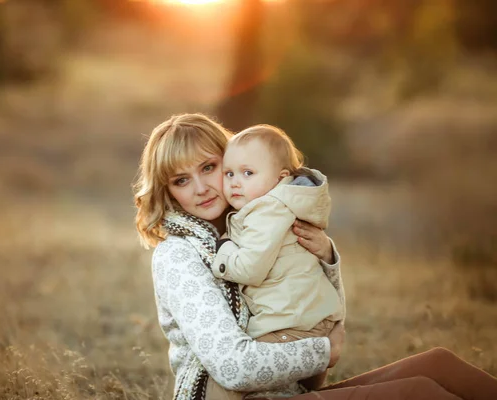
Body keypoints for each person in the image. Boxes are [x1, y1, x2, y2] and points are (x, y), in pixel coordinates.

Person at [133, 113, 497, 400]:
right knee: (419, 393)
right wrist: (324, 351)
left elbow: (316, 312)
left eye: (208, 168)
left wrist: (326, 258)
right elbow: (233, 368)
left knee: (439, 365)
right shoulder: (178, 256)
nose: (201, 188)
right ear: (167, 192)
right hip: (235, 396)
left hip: (285, 390)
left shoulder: (254, 226)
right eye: (181, 180)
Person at [212, 124, 343, 342]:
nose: (235, 182)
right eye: (229, 173)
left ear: (278, 178)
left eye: (248, 173)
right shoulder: (277, 208)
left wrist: (223, 249)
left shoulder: (267, 212)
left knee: (243, 370)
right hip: (306, 317)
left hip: (290, 324)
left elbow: (249, 270)